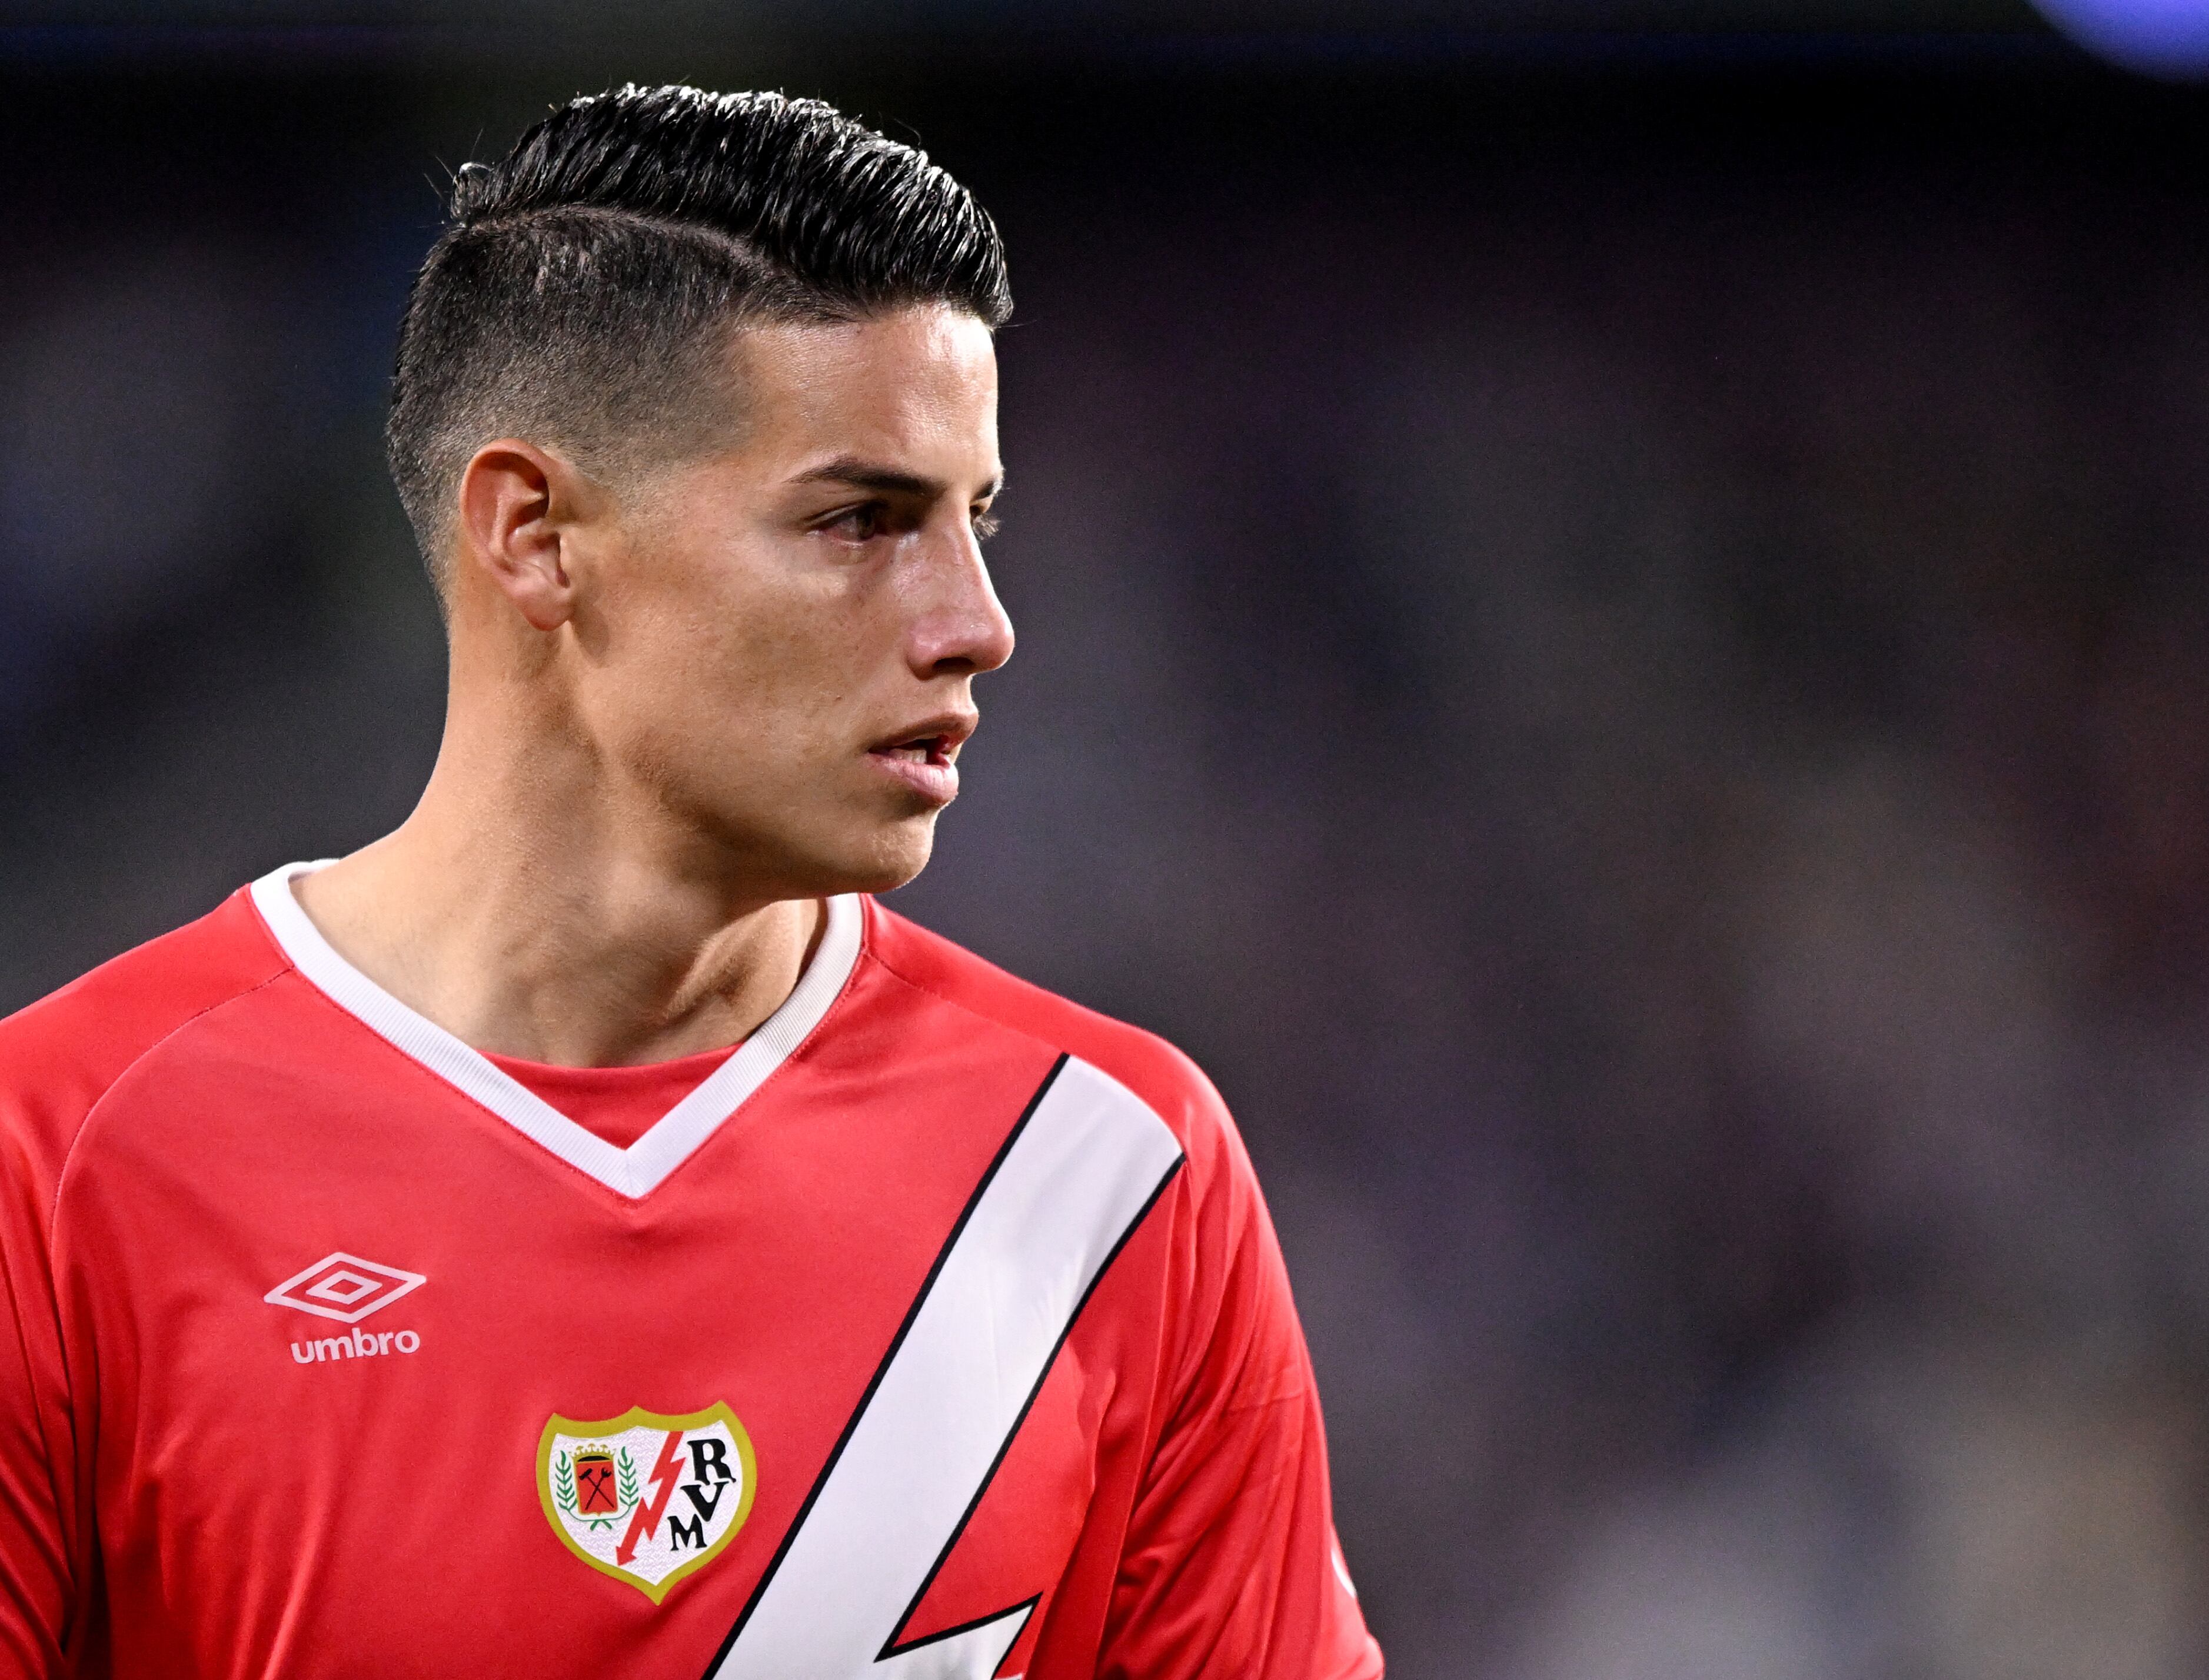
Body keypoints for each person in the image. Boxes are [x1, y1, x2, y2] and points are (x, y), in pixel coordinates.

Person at [0, 84, 1381, 1680]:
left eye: (975, 522)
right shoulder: (58, 1164)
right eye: (860, 521)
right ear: (536, 536)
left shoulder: (1112, 1178)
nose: (978, 623)